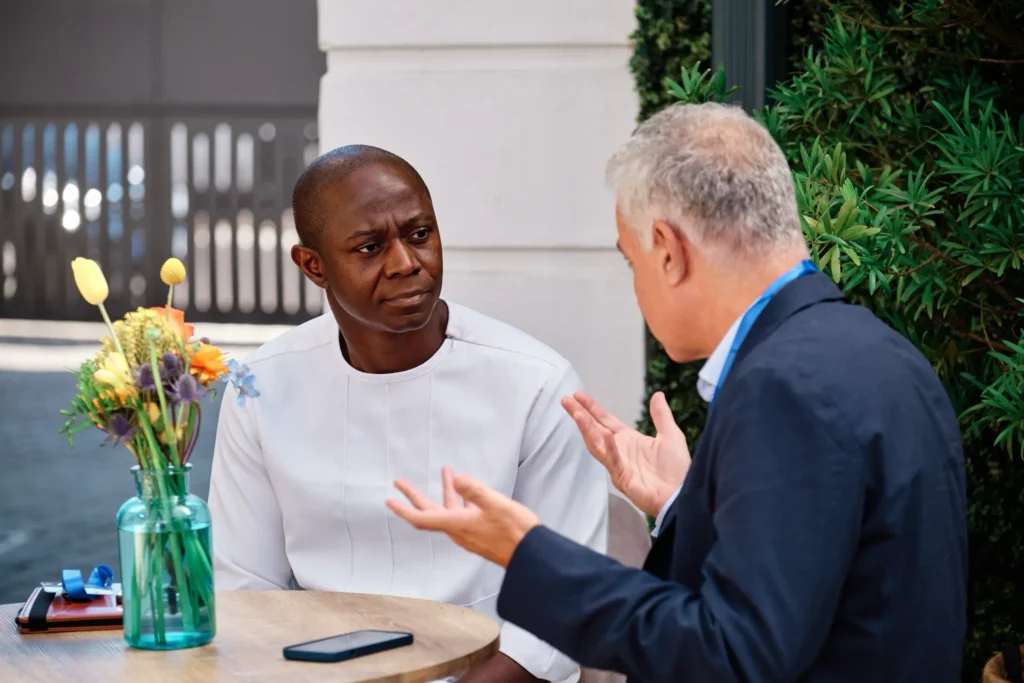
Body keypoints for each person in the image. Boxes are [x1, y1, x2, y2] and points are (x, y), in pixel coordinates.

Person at [386, 102, 969, 682]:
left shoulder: (784, 387)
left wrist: (527, 553)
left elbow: (734, 657)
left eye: (630, 259)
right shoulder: (881, 352)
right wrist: (683, 502)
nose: (635, 283)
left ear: (668, 249)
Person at [208, 145, 609, 683]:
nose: (406, 263)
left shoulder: (536, 383)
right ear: (313, 266)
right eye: (370, 247)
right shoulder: (263, 386)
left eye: (420, 234)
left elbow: (560, 612)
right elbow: (242, 587)